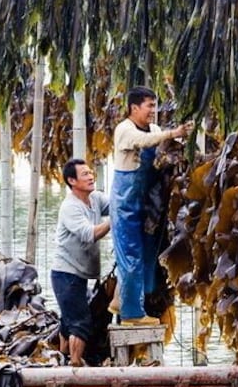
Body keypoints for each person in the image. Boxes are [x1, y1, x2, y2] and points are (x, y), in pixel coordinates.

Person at [111, 86, 193, 326]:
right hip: (125, 204)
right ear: (134, 107)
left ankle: (126, 301)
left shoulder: (156, 129)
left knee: (148, 255)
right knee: (131, 256)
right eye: (149, 106)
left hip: (147, 204)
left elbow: (164, 143)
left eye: (155, 106)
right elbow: (144, 141)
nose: (153, 111)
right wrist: (172, 133)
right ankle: (131, 314)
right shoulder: (124, 130)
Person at [52, 158, 110, 366]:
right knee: (80, 322)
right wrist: (114, 220)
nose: (91, 176)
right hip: (66, 273)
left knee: (68, 320)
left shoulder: (95, 199)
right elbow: (89, 234)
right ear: (72, 181)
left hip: (79, 273)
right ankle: (75, 366)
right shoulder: (70, 207)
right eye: (84, 174)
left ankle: (63, 359)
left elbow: (116, 204)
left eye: (90, 172)